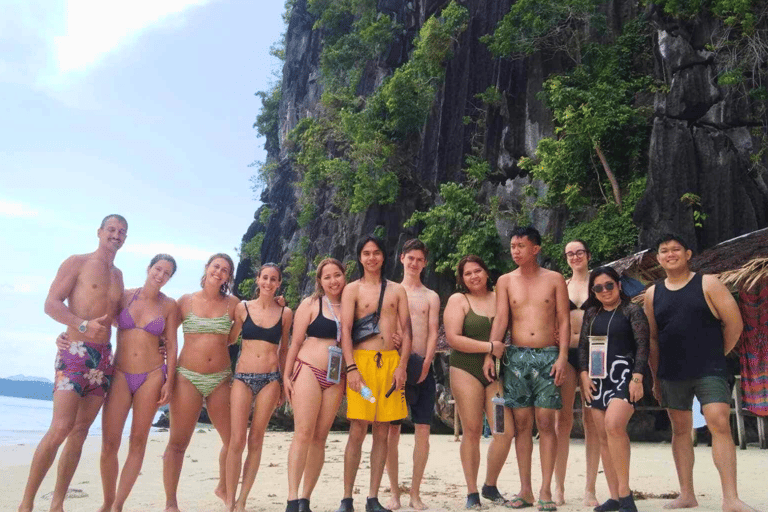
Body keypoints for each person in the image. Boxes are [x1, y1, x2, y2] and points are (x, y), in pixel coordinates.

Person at [18, 214, 128, 512]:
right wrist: (79, 326)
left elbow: (119, 318)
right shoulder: (77, 262)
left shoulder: (118, 276)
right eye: (111, 229)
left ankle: (57, 503)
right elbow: (51, 303)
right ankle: (26, 504)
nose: (116, 235)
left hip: (103, 359)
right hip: (75, 353)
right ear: (99, 232)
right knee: (61, 428)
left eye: (122, 232)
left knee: (80, 432)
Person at [644, 234, 757, 512]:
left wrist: (717, 354)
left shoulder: (708, 283)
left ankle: (730, 498)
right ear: (658, 258)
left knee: (718, 423)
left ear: (688, 254)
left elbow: (735, 324)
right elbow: (654, 339)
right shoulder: (652, 293)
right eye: (664, 251)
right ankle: (687, 494)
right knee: (680, 430)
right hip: (672, 370)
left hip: (709, 367)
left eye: (676, 250)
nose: (670, 254)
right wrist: (655, 376)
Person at [488, 226, 569, 512]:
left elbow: (563, 320)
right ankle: (526, 490)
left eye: (521, 245)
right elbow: (501, 319)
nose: (515, 251)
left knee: (546, 423)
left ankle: (546, 490)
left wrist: (562, 357)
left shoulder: (555, 279)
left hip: (548, 355)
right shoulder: (505, 281)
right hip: (516, 358)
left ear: (536, 249)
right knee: (522, 426)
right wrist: (491, 351)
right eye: (512, 246)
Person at [93, 254, 179, 512]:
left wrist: (169, 382)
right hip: (119, 373)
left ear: (169, 278)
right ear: (149, 268)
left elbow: (172, 345)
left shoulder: (169, 306)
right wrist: (70, 334)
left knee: (138, 442)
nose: (160, 275)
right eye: (158, 269)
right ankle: (107, 502)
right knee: (109, 443)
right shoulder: (125, 296)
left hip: (152, 376)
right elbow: (99, 320)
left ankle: (118, 505)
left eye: (167, 273)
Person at [336, 235, 412, 512]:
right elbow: (344, 330)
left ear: (384, 256)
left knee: (383, 430)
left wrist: (402, 366)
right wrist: (351, 368)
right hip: (363, 370)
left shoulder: (396, 291)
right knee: (358, 428)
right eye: (366, 253)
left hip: (390, 368)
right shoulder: (352, 290)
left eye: (376, 252)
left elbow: (408, 331)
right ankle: (347, 498)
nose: (371, 258)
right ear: (360, 257)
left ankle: (372, 497)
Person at [163, 253, 239, 512]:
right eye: (216, 266)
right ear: (207, 268)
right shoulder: (184, 302)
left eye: (225, 270)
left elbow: (239, 334)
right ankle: (171, 503)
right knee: (177, 443)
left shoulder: (234, 304)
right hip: (187, 377)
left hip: (220, 378)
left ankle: (225, 490)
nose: (219, 272)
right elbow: (168, 342)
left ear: (229, 277)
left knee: (233, 441)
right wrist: (166, 378)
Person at [444, 255, 515, 509]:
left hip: (495, 373)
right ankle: (472, 492)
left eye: (478, 271)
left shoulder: (501, 298)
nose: (473, 276)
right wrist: (490, 346)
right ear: (461, 279)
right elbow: (453, 338)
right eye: (467, 273)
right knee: (472, 431)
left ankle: (490, 485)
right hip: (465, 369)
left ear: (486, 272)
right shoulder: (458, 300)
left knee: (504, 431)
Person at [578, 267, 649, 512]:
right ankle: (615, 497)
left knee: (614, 426)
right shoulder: (591, 313)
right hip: (597, 377)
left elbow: (642, 346)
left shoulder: (632, 310)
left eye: (609, 285)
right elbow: (583, 347)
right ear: (593, 291)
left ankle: (626, 495)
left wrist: (638, 378)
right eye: (598, 287)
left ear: (619, 285)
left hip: (625, 376)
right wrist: (583, 375)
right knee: (603, 438)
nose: (605, 291)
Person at [225, 263, 293, 512]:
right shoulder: (242, 308)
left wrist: (285, 383)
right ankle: (229, 501)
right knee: (237, 440)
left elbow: (284, 348)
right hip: (242, 377)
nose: (268, 282)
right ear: (258, 279)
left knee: (256, 439)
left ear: (278, 283)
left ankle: (242, 501)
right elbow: (230, 339)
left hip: (270, 379)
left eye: (273, 279)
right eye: (264, 277)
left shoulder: (285, 313)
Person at [284, 258, 348, 512]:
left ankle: (305, 500)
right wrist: (287, 376)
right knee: (303, 433)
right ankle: (291, 498)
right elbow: (296, 341)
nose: (333, 281)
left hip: (337, 377)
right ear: (320, 281)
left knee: (320, 438)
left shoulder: (353, 304)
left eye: (337, 275)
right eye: (327, 277)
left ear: (345, 275)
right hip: (308, 369)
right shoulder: (311, 304)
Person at [384, 240, 440, 511]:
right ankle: (394, 492)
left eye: (420, 259)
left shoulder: (431, 296)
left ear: (424, 263)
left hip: (423, 367)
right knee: (391, 431)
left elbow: (433, 332)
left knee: (423, 431)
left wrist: (428, 362)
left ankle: (415, 492)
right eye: (410, 258)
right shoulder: (390, 291)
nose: (414, 263)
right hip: (395, 366)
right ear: (402, 258)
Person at [554, 240, 600, 506]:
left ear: (588, 254)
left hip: (595, 354)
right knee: (563, 421)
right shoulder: (563, 285)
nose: (575, 257)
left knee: (592, 420)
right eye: (569, 253)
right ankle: (558, 486)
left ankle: (590, 488)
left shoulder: (601, 282)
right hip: (568, 353)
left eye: (579, 252)